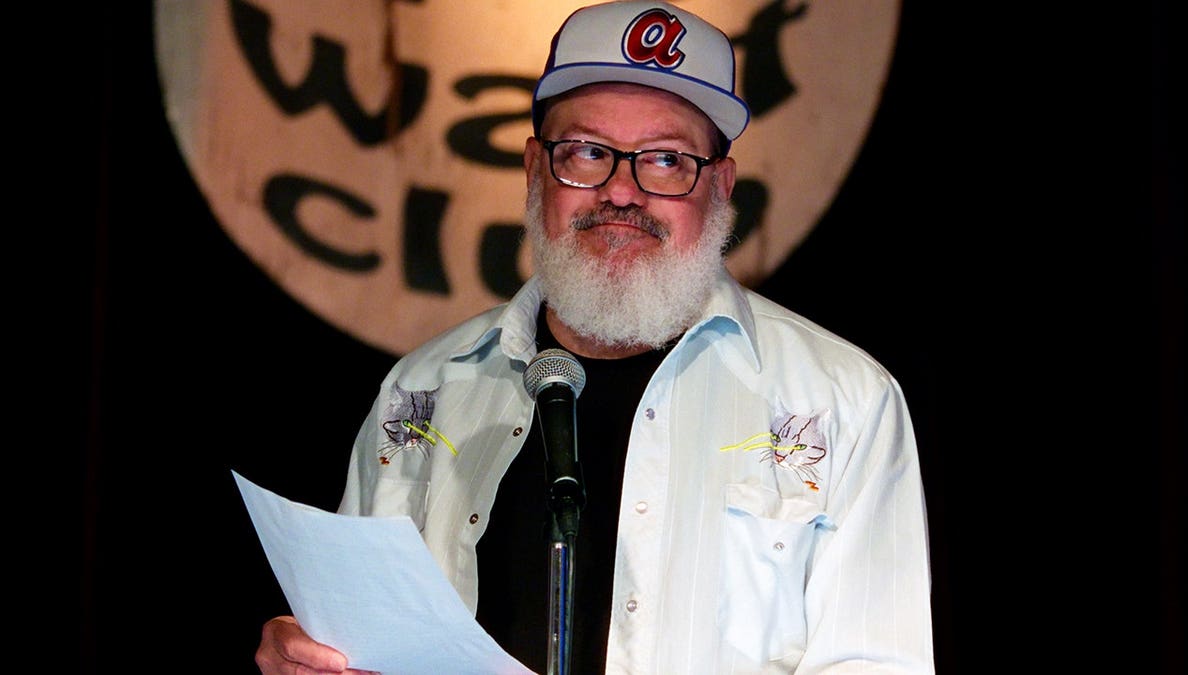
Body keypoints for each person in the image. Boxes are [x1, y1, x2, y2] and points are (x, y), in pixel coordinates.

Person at [255, 1, 935, 673]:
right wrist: (314, 661)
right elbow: (356, 638)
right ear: (534, 170)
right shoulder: (421, 389)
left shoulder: (844, 401)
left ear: (721, 187)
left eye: (666, 159)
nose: (621, 190)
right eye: (586, 152)